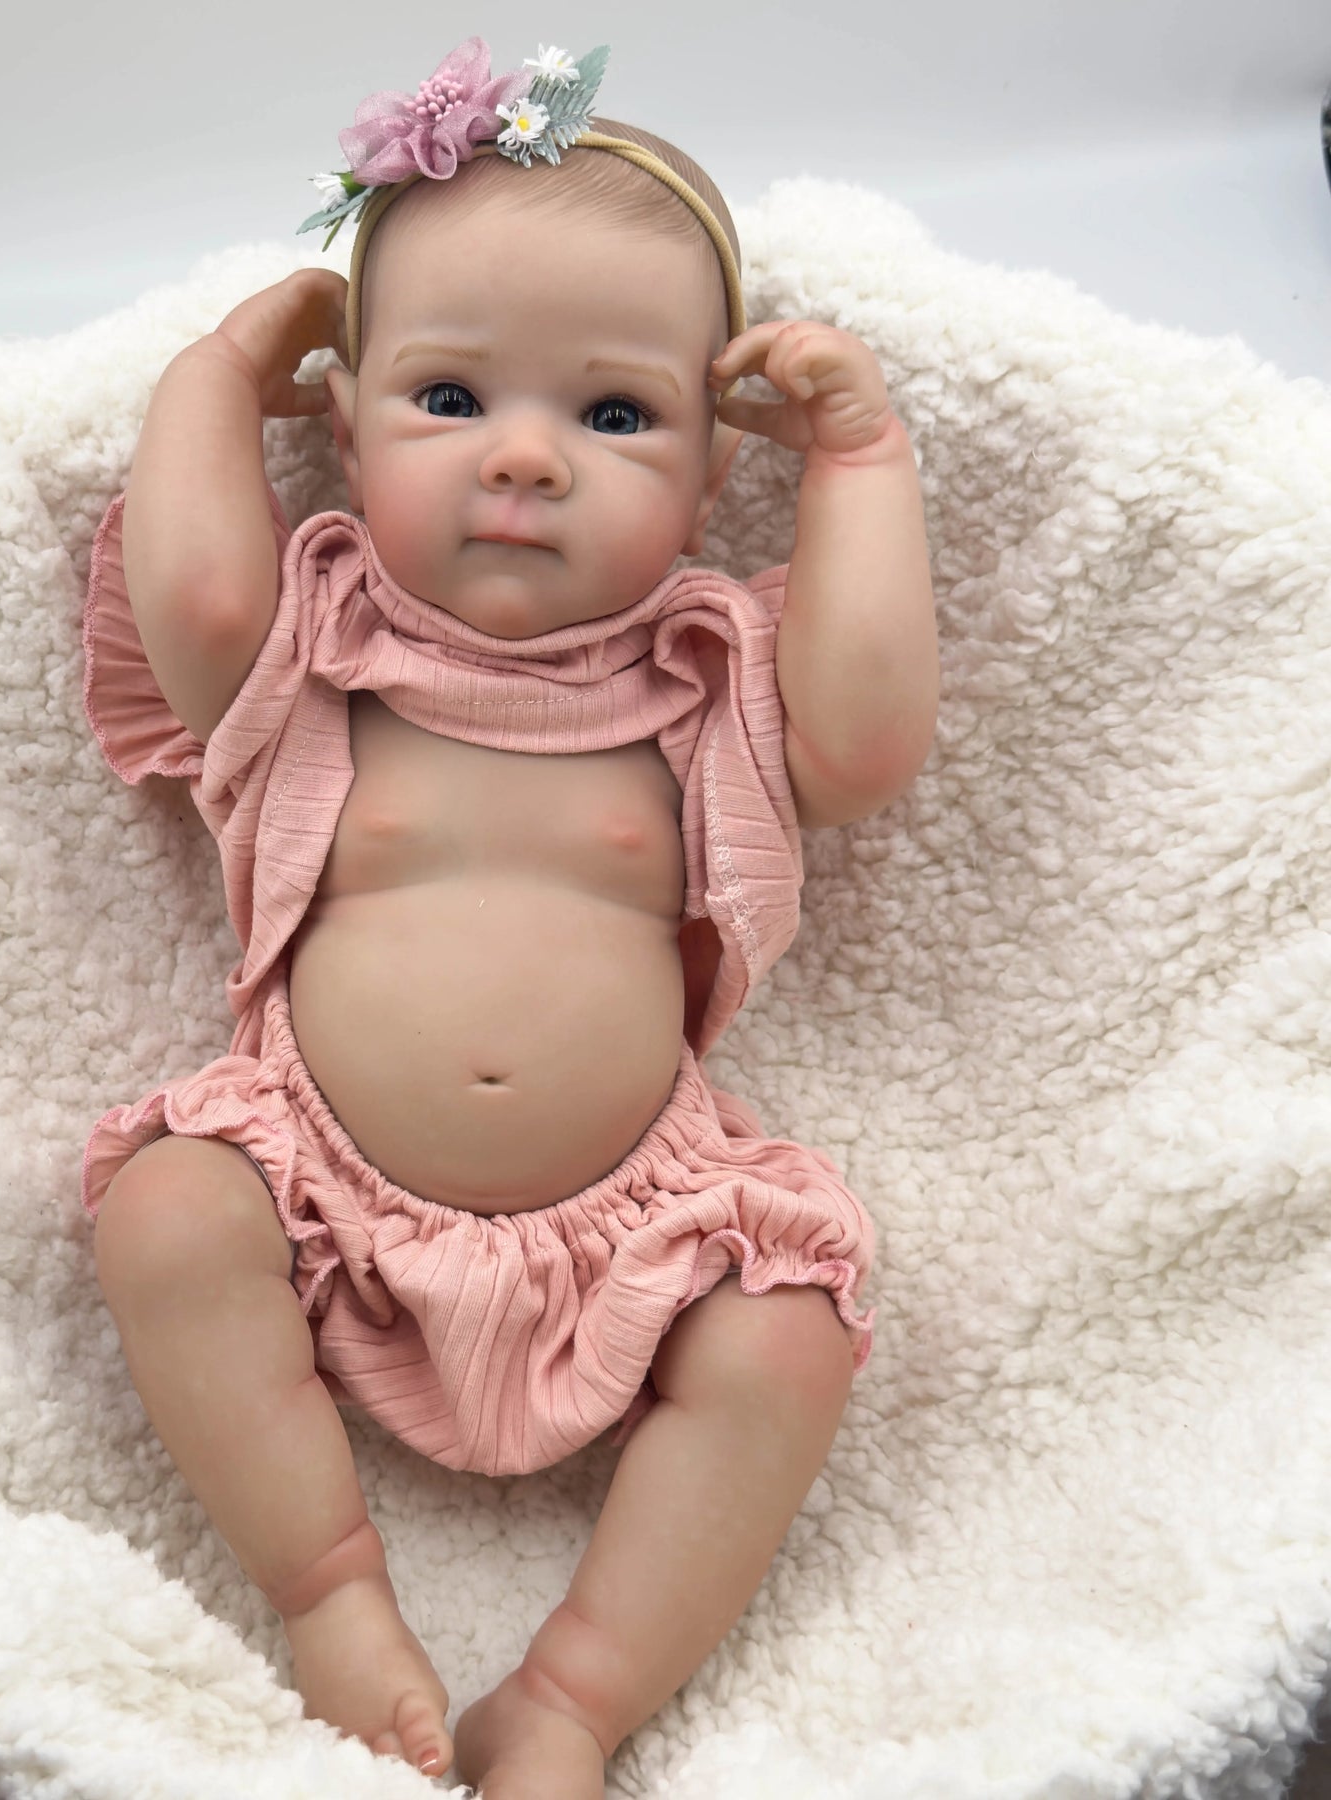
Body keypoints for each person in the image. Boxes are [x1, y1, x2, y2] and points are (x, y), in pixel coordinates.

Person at [81, 39, 939, 1799]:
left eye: (614, 417)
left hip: (641, 1222)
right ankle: (330, 1592)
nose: (527, 460)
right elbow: (192, 588)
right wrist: (216, 372)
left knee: (790, 1328)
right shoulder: (316, 646)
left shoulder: (707, 676)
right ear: (345, 426)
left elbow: (866, 743)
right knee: (167, 1208)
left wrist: (860, 459)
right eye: (452, 397)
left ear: (709, 474)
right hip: (316, 1195)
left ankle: (572, 1698)